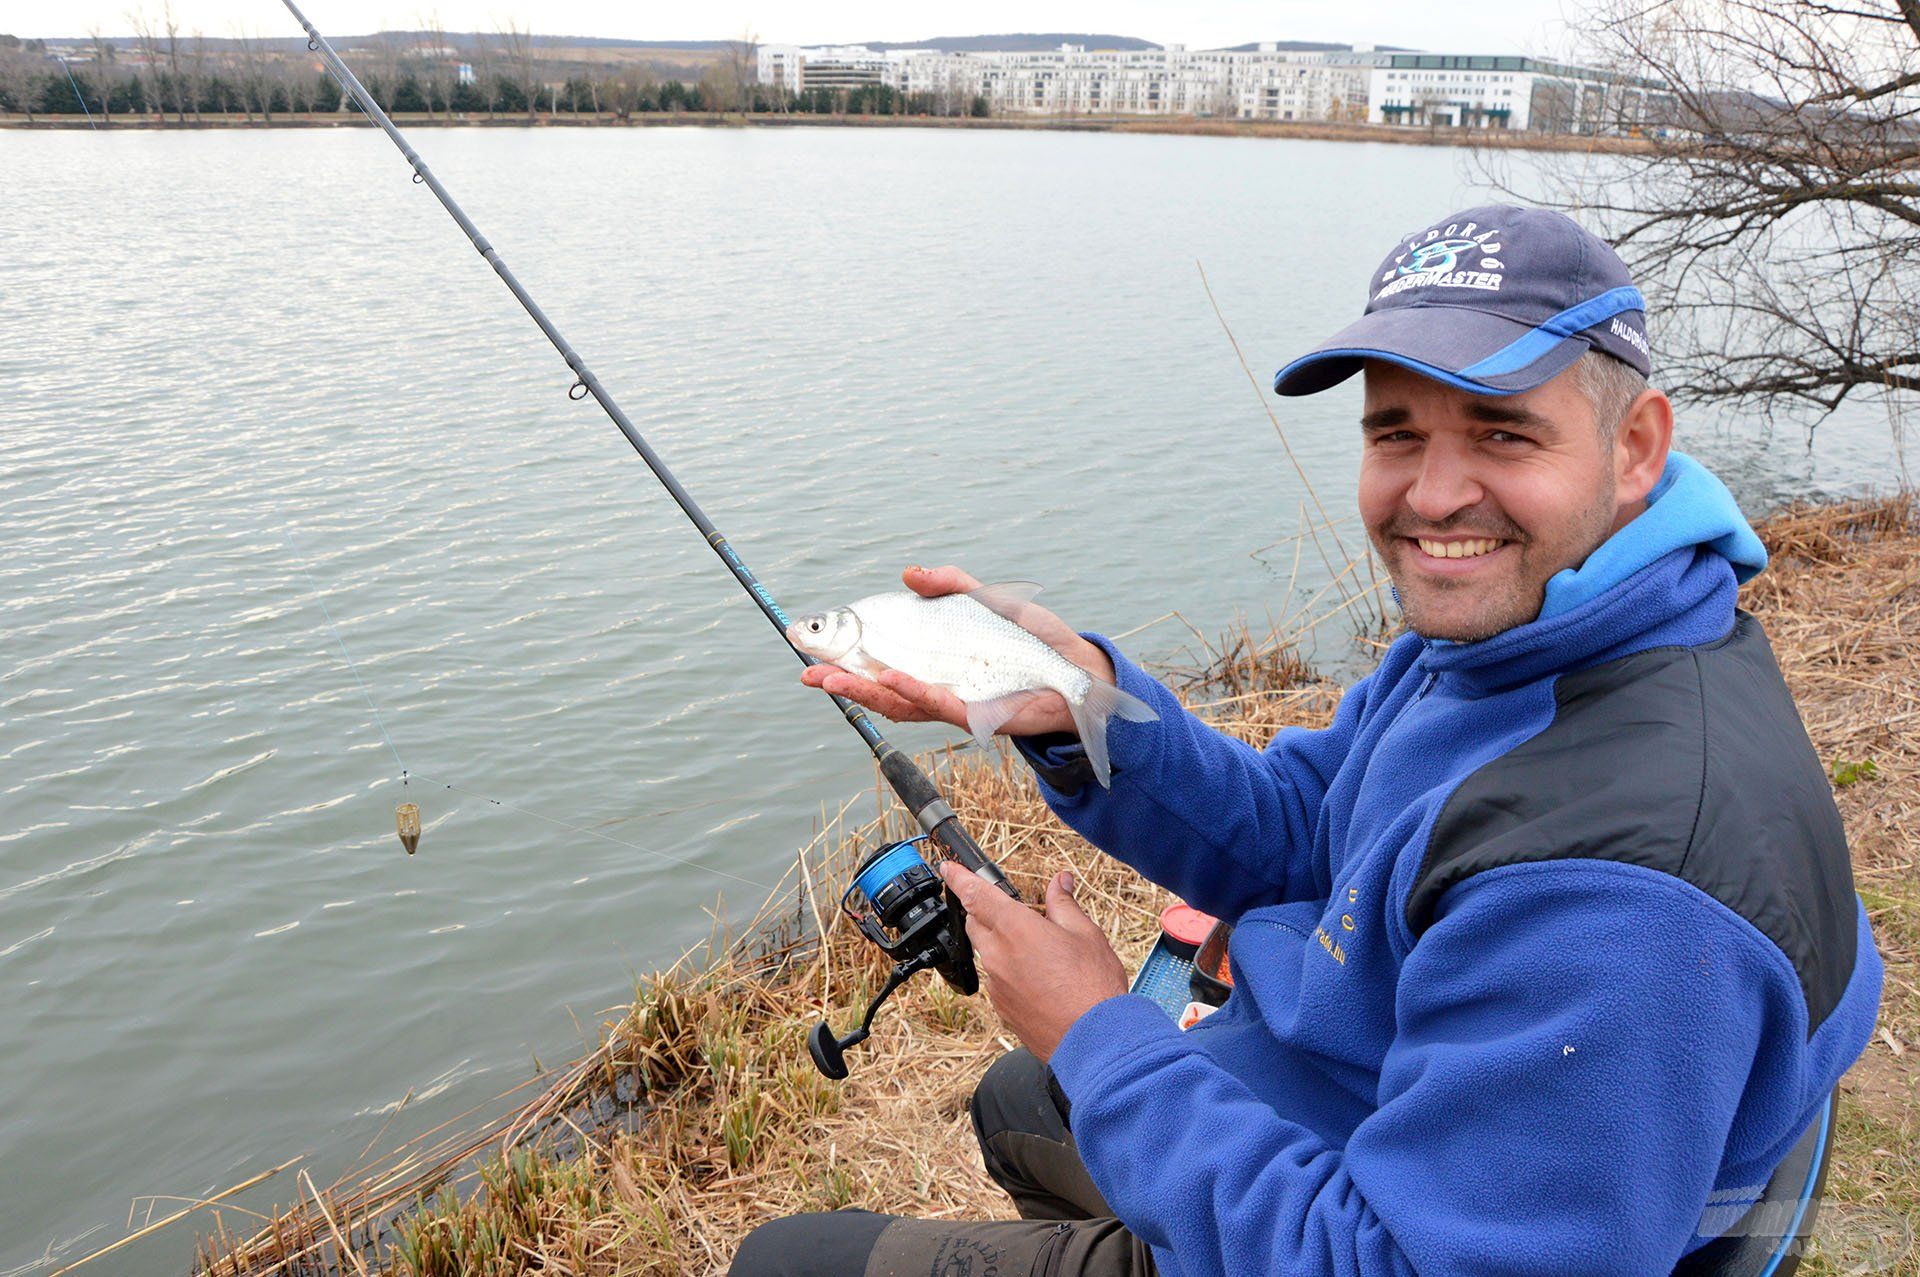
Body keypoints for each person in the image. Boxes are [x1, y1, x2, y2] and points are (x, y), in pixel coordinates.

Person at [730, 205, 1882, 1277]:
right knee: (1016, 1101)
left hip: (1359, 1216)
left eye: (1501, 431)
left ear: (1636, 446)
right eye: (1395, 431)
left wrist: (1100, 1032)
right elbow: (1307, 829)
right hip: (1360, 1103)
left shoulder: (1624, 885)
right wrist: (1081, 705)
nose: (1433, 495)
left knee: (790, 1260)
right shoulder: (1526, 634)